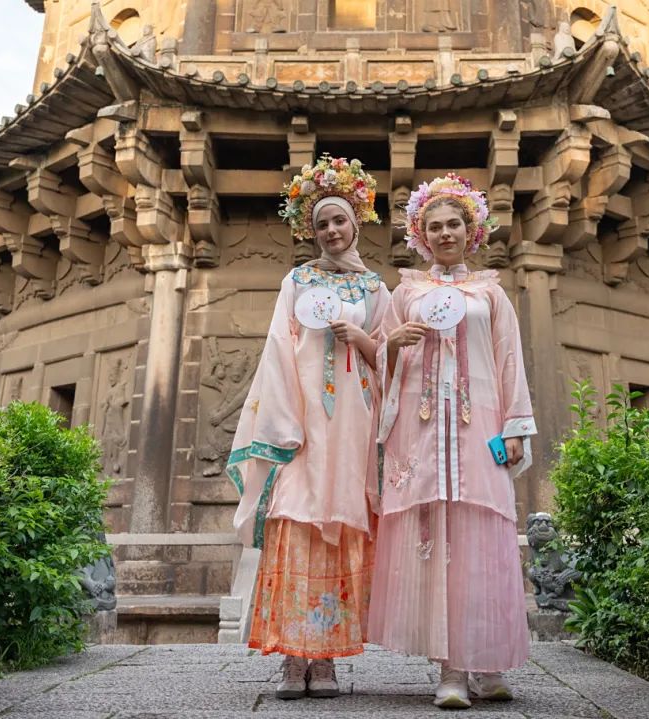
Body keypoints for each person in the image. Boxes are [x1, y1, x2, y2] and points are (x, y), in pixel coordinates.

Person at [368, 174, 536, 708]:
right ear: (421, 235)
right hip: (420, 433)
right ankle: (450, 670)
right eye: (435, 226)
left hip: (477, 429)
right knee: (438, 543)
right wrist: (393, 343)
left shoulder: (491, 294)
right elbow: (378, 353)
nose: (445, 233)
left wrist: (514, 427)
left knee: (482, 539)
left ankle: (487, 664)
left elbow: (509, 360)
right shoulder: (407, 293)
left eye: (454, 225)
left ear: (471, 230)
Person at [228, 156, 390, 699]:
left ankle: (325, 660)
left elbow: (392, 358)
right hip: (301, 418)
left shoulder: (375, 289)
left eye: (340, 220)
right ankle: (292, 657)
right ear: (311, 230)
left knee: (340, 522)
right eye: (322, 223)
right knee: (296, 519)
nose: (332, 230)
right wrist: (283, 422)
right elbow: (279, 348)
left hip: (353, 421)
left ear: (356, 223)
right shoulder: (295, 282)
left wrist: (361, 340)